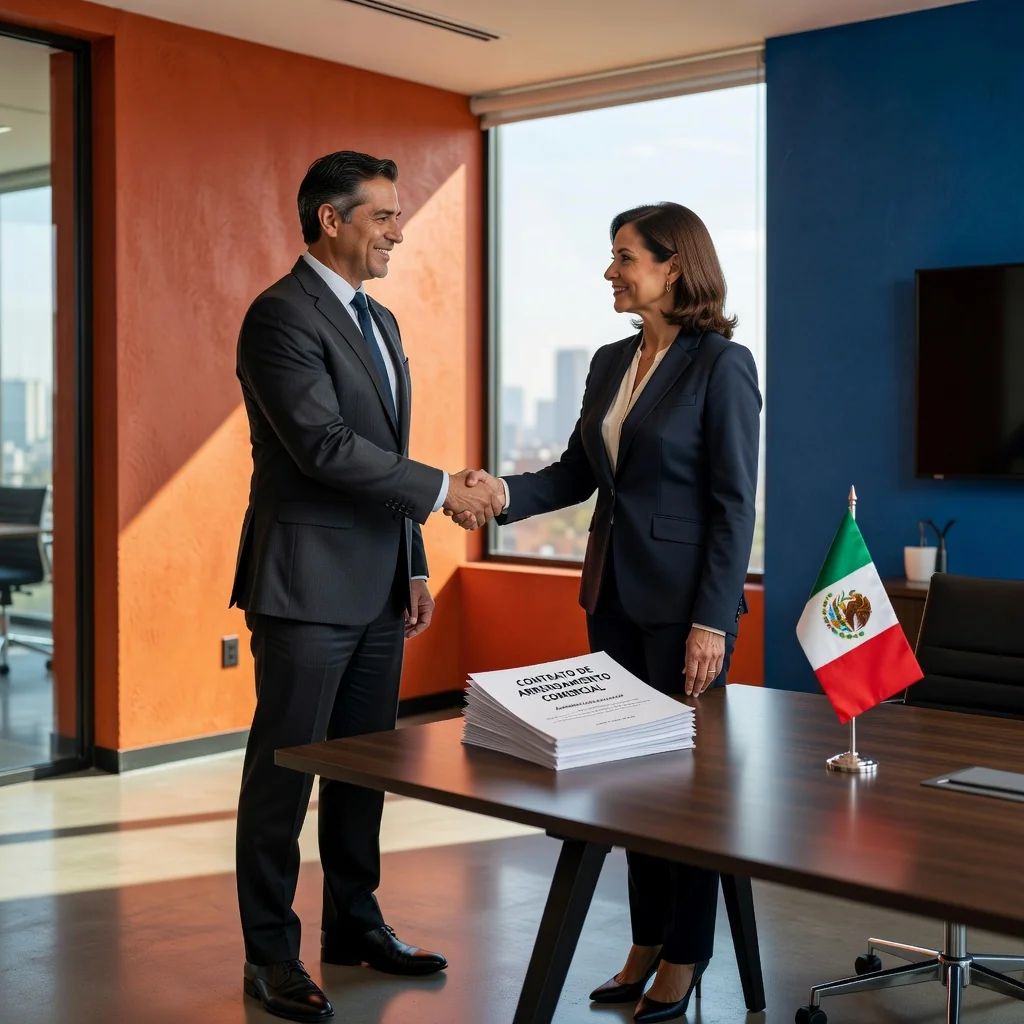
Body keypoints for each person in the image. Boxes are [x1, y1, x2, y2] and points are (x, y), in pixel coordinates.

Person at [458, 202, 761, 1023]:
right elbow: (576, 472)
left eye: (624, 256)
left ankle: (688, 950)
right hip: (613, 597)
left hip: (684, 611)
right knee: (628, 782)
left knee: (687, 792)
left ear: (673, 267)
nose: (610, 271)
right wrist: (503, 496)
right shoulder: (608, 361)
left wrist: (712, 620)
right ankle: (645, 938)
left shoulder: (722, 365)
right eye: (612, 256)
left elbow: (734, 505)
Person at [230, 150, 504, 1022]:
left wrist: (415, 559)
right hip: (305, 587)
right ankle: (269, 955)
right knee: (285, 776)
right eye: (383, 215)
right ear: (331, 221)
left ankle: (354, 924)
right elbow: (325, 447)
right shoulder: (279, 317)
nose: (398, 230)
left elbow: (379, 454)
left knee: (363, 770)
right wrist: (444, 493)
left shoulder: (378, 323)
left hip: (379, 585)